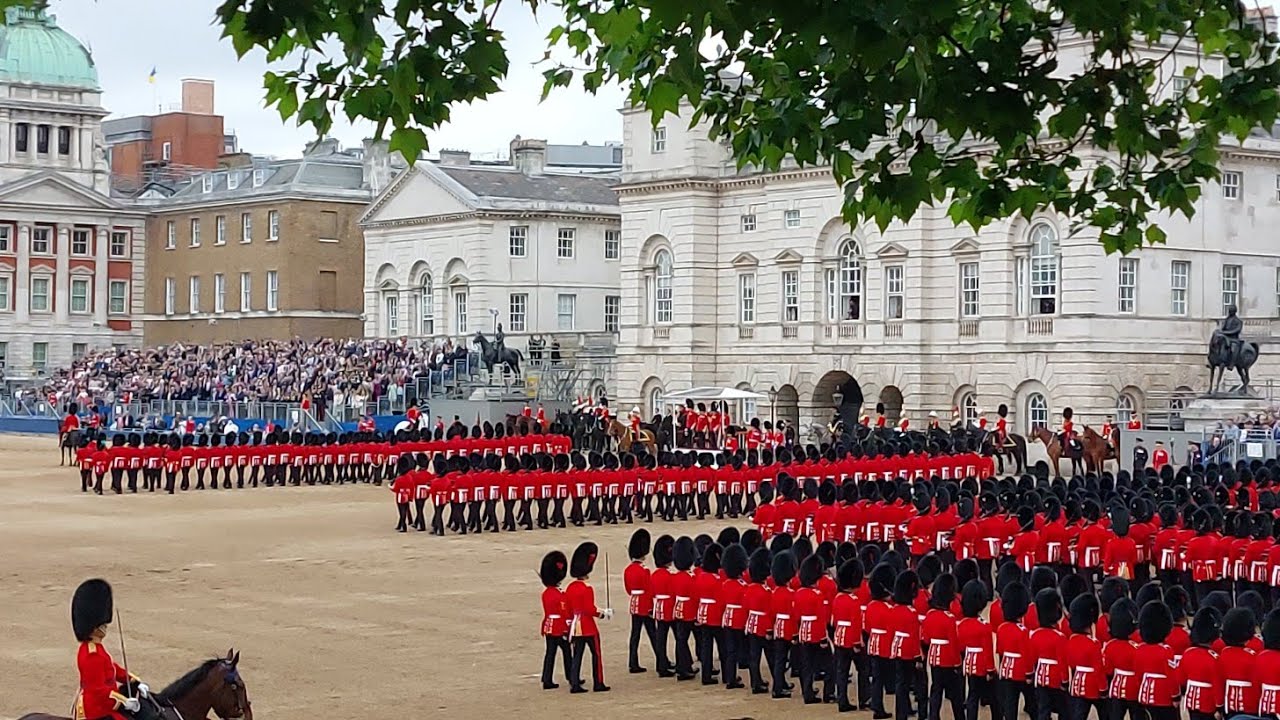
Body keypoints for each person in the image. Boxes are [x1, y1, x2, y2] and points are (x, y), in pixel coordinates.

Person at [72, 579, 150, 720]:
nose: (105, 627)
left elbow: (112, 669)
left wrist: (134, 682)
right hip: (96, 710)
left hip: (104, 704)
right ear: (94, 628)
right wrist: (124, 702)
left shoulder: (96, 649)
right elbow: (99, 692)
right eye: (102, 625)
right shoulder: (91, 655)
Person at [564, 541, 611, 693]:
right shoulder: (587, 588)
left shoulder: (570, 587)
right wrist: (603, 613)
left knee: (577, 656)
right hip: (588, 626)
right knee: (596, 654)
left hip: (575, 626)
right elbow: (590, 609)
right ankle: (598, 683)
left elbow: (568, 608)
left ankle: (574, 683)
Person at [624, 529, 658, 674]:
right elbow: (649, 590)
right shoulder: (644, 570)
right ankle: (661, 659)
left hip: (634, 604)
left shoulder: (628, 570)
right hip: (644, 605)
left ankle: (633, 662)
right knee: (653, 634)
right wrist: (651, 607)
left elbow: (628, 589)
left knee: (635, 635)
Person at [539, 551, 571, 690]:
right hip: (558, 627)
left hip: (548, 626)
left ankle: (547, 678)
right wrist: (567, 627)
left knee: (550, 654)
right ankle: (571, 676)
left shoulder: (546, 593)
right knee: (567, 652)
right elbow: (563, 611)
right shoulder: (559, 594)